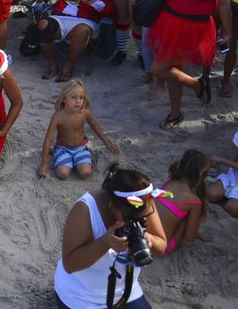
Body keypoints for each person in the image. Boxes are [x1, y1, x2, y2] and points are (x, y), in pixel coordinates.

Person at [149, 0, 233, 130]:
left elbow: (224, 2)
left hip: (196, 27)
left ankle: (197, 85)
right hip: (169, 22)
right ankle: (177, 111)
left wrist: (228, 30)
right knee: (171, 70)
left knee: (159, 68)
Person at [54, 164, 168, 309]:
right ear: (112, 204)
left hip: (125, 293)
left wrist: (148, 240)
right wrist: (105, 243)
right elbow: (70, 264)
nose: (135, 221)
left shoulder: (142, 203)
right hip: (81, 297)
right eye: (129, 218)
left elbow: (162, 245)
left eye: (142, 218)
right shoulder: (85, 210)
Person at [25, 0, 115, 81]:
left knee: (82, 30)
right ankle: (53, 63)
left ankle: (70, 65)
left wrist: (95, 3)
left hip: (84, 21)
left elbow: (110, 11)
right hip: (60, 18)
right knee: (43, 24)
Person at [37, 79, 119, 179]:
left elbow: (95, 126)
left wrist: (106, 141)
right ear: (64, 99)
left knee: (86, 173)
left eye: (81, 98)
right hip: (63, 148)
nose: (78, 101)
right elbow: (48, 139)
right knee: (63, 175)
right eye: (73, 97)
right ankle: (55, 153)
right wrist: (43, 164)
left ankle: (86, 159)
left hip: (81, 148)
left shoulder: (84, 113)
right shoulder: (58, 116)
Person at [155, 149, 210, 255]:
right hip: (165, 247)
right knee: (186, 216)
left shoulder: (170, 183)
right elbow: (189, 238)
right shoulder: (194, 201)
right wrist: (194, 232)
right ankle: (195, 229)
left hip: (148, 237)